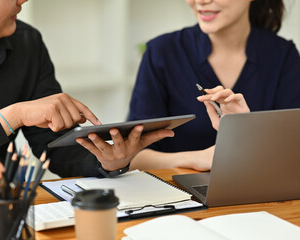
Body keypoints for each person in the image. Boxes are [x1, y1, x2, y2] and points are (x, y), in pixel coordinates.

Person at [0, 0, 174, 187]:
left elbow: (54, 144)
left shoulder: (27, 43)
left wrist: (104, 160)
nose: (23, 0)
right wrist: (12, 117)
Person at [128, 0, 300, 171]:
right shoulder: (161, 52)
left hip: (261, 196)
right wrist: (198, 158)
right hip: (175, 195)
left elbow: (292, 153)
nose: (201, 1)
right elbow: (133, 157)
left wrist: (247, 132)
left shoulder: (284, 56)